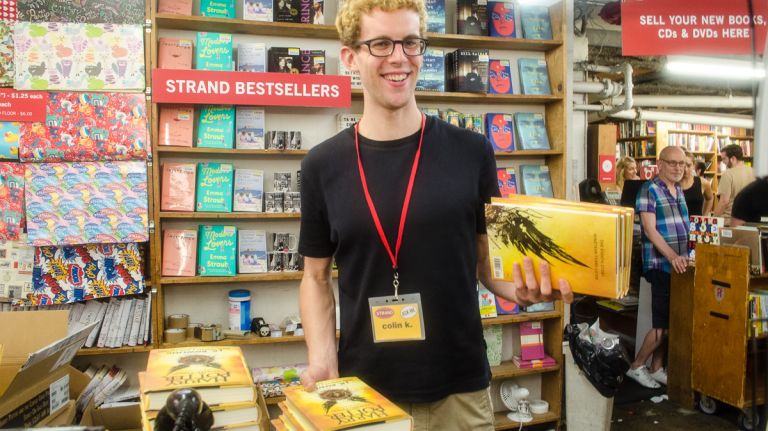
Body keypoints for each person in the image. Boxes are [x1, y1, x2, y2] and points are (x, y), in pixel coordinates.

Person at [297, 0, 573, 428]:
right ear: (349, 57)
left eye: (410, 42)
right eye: (381, 43)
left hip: (460, 390)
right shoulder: (322, 165)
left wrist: (521, 291)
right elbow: (315, 278)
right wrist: (321, 361)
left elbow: (488, 264)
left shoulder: (472, 151)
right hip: (366, 389)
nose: (399, 58)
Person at [626, 146, 689, 389]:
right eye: (672, 163)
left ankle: (656, 367)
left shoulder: (678, 190)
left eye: (681, 163)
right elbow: (651, 231)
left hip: (680, 265)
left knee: (671, 322)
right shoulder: (648, 190)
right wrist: (673, 256)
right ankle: (637, 365)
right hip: (661, 265)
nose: (677, 168)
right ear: (659, 164)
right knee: (661, 325)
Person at [713, 144, 755, 225]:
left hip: (729, 222)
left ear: (733, 159)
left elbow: (724, 202)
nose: (723, 162)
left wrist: (713, 219)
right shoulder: (753, 172)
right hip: (749, 221)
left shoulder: (728, 174)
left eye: (724, 159)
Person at [681, 150, 714, 216]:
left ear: (693, 165)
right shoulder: (672, 183)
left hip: (696, 224)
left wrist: (705, 215)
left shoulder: (703, 183)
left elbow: (710, 198)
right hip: (677, 224)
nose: (685, 169)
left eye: (689, 165)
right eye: (682, 165)